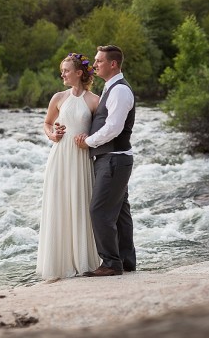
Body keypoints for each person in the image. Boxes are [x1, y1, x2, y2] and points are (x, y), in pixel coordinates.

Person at [36, 52, 101, 280]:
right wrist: (52, 134)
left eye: (65, 70)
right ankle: (58, 264)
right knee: (59, 204)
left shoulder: (94, 100)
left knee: (80, 204)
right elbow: (46, 123)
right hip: (59, 157)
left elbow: (102, 131)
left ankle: (82, 261)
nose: (62, 73)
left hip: (81, 158)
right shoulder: (58, 97)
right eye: (62, 70)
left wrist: (89, 138)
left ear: (79, 73)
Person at [75, 45, 136, 277]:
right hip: (114, 159)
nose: (95, 65)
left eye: (99, 61)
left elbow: (113, 128)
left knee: (99, 211)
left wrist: (88, 142)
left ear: (113, 64)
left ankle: (111, 263)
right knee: (120, 213)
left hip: (113, 159)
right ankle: (126, 261)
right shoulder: (112, 88)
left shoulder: (119, 91)